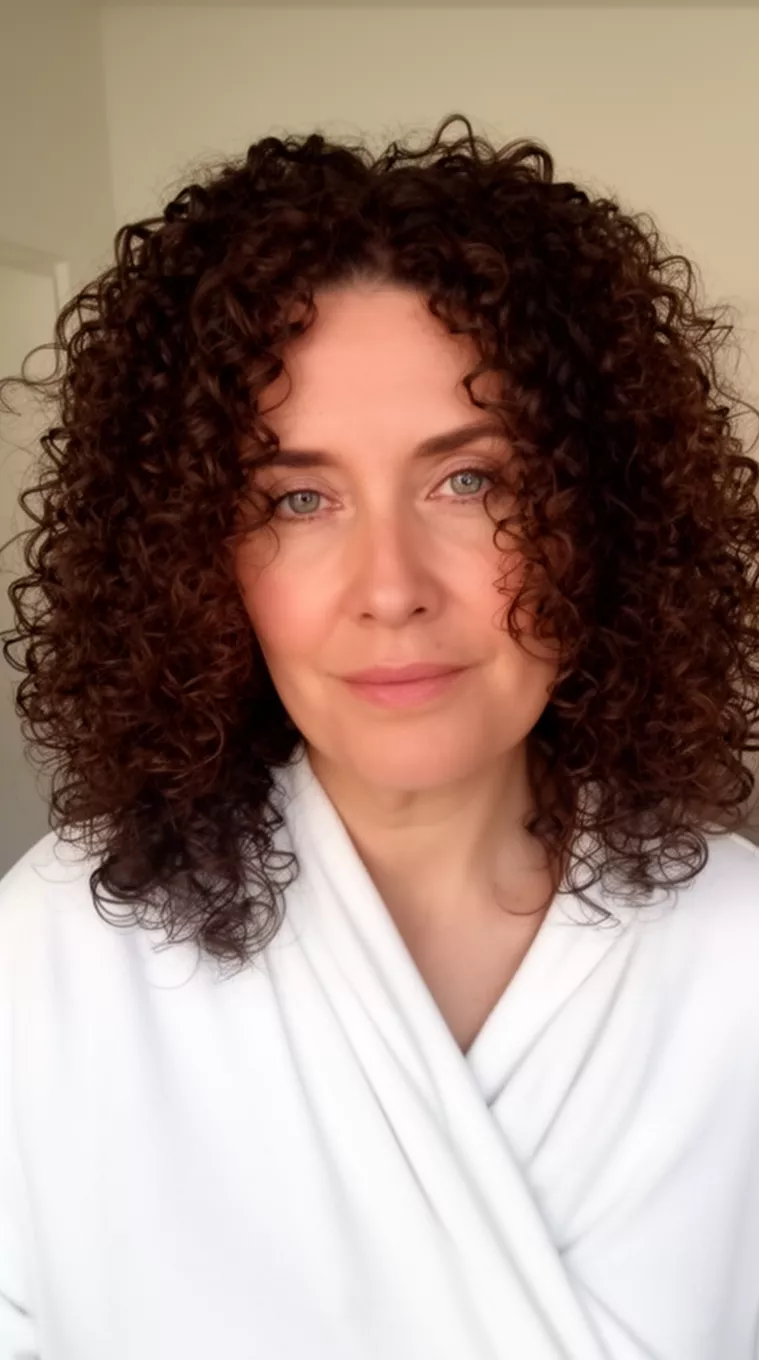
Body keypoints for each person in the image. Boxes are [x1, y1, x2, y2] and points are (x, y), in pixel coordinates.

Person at [0, 114, 758, 1360]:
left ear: (598, 512)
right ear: (196, 559)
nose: (391, 585)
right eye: (297, 499)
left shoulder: (742, 954)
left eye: (472, 481)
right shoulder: (64, 949)